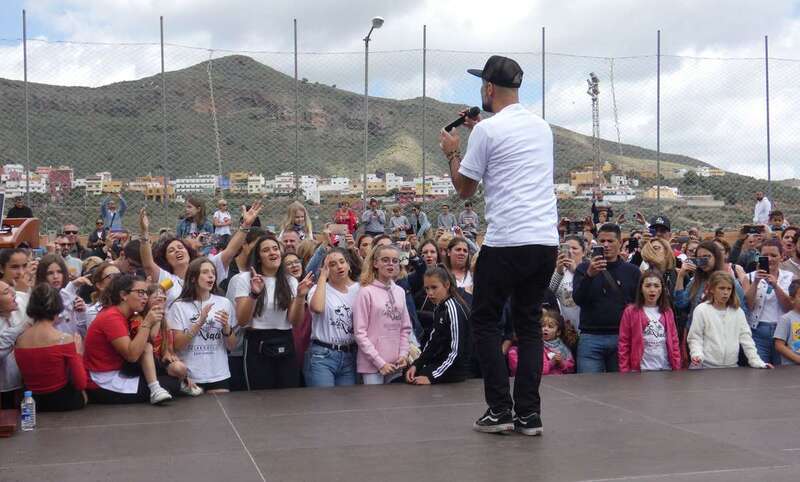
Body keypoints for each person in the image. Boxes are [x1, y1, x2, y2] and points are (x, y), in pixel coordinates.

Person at [439, 55, 558, 435]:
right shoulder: (542, 128)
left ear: (489, 88)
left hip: (507, 240)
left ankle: (499, 409)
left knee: (485, 320)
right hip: (545, 241)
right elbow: (511, 155)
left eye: (482, 85)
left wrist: (453, 151)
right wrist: (479, 129)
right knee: (529, 324)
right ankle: (529, 415)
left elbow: (464, 189)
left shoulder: (486, 133)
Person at [226, 235, 311, 390]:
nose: (272, 252)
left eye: (275, 249)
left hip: (285, 340)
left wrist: (300, 297)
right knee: (260, 397)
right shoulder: (245, 279)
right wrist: (254, 294)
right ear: (258, 258)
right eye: (266, 250)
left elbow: (295, 321)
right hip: (257, 342)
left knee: (289, 394)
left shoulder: (290, 280)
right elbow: (242, 320)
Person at [139, 203, 262, 307]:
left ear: (188, 252)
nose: (177, 251)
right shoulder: (168, 280)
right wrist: (144, 233)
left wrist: (245, 226)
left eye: (180, 247)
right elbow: (148, 264)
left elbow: (230, 251)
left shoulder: (206, 269)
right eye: (171, 250)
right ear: (165, 259)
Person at [83, 274, 178, 404]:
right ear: (123, 295)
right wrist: (147, 323)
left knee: (174, 373)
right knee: (173, 383)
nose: (145, 297)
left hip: (122, 371)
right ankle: (157, 390)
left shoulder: (124, 314)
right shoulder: (111, 317)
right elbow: (132, 355)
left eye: (146, 293)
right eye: (140, 293)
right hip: (105, 381)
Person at [573, 224, 641, 373]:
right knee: (588, 384)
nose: (605, 245)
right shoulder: (583, 269)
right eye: (602, 241)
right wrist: (589, 276)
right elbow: (578, 299)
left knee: (620, 385)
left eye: (610, 241)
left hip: (621, 337)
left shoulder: (632, 271)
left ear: (620, 242)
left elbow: (638, 305)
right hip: (590, 337)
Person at [14, 284, 88, 411]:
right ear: (57, 307)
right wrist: (78, 354)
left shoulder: (20, 340)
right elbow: (81, 383)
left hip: (32, 402)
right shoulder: (64, 339)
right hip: (63, 400)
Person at [168, 258, 237, 393]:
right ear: (193, 278)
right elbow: (178, 345)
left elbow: (232, 346)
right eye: (205, 272)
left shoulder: (224, 303)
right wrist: (199, 322)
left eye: (213, 272)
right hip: (190, 376)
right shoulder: (179, 306)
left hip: (218, 374)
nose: (211, 276)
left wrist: (226, 328)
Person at [353, 244, 412, 385]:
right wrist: (380, 363)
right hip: (372, 365)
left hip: (396, 363)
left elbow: (405, 328)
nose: (390, 264)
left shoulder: (400, 292)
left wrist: (403, 355)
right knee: (375, 399)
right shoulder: (365, 292)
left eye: (395, 261)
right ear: (375, 263)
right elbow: (360, 333)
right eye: (385, 260)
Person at [688, 272, 771, 369]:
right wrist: (697, 354)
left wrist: (757, 362)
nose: (726, 292)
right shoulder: (701, 310)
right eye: (721, 288)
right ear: (712, 289)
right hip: (705, 366)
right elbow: (695, 337)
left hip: (731, 367)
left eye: (729, 289)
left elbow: (747, 339)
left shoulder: (738, 312)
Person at [405, 266, 470, 385]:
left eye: (434, 287)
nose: (430, 293)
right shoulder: (440, 307)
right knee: (409, 375)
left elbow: (456, 351)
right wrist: (417, 364)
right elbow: (433, 341)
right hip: (442, 365)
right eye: (427, 288)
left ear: (447, 285)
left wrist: (432, 377)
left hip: (455, 370)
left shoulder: (453, 309)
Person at [305, 248, 360, 387]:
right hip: (322, 355)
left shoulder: (360, 289)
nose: (339, 266)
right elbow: (317, 308)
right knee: (324, 399)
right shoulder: (318, 288)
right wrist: (322, 277)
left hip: (349, 354)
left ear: (348, 265)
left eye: (342, 262)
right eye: (332, 264)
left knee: (347, 399)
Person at [618, 270, 681, 372]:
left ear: (662, 289)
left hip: (665, 368)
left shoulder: (667, 311)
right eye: (648, 286)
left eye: (656, 286)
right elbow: (624, 343)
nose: (652, 290)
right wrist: (625, 371)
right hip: (640, 370)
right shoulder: (630, 312)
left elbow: (674, 342)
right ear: (641, 289)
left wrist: (677, 367)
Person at [743, 239, 794, 365]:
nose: (769, 259)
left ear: (781, 256)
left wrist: (776, 286)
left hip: (783, 332)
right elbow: (748, 305)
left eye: (774, 255)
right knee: (760, 368)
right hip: (758, 331)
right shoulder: (749, 277)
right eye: (765, 256)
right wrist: (756, 282)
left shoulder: (790, 277)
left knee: (783, 370)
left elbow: (790, 307)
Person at [35, 253, 89, 336]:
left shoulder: (71, 296)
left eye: (59, 272)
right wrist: (72, 286)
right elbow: (56, 317)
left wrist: (81, 313)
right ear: (43, 276)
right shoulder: (39, 298)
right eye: (50, 273)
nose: (55, 276)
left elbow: (81, 332)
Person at [549, 235, 585, 331]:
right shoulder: (559, 272)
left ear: (583, 252)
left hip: (585, 327)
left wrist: (576, 271)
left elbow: (590, 289)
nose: (570, 252)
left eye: (574, 248)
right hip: (566, 329)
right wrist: (558, 271)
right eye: (567, 248)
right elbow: (549, 294)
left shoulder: (589, 269)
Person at [0, 280, 24, 408]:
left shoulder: (20, 306)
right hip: (5, 389)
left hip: (25, 383)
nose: (14, 293)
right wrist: (19, 329)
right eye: (6, 292)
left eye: (11, 288)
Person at [774, 279, 800, 365]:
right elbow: (779, 345)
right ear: (792, 299)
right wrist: (798, 359)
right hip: (791, 368)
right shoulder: (786, 319)